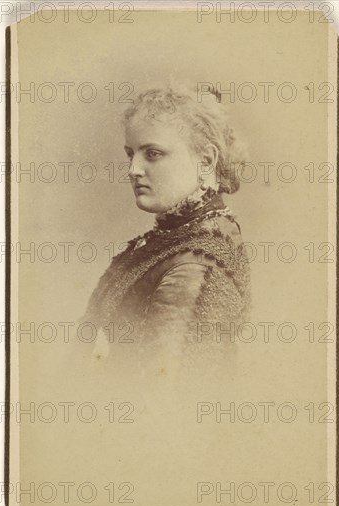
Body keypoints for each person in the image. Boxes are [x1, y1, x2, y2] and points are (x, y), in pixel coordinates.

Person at [84, 87, 251, 368]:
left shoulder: (198, 261)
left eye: (152, 154)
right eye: (130, 154)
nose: (133, 169)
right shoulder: (174, 238)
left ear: (205, 161)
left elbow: (167, 393)